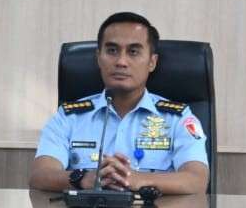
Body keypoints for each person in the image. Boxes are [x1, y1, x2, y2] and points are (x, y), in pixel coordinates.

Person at [28, 12, 209, 195]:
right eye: (112, 51)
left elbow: (197, 180)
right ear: (98, 58)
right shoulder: (69, 117)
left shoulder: (177, 118)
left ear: (152, 62)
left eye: (133, 52)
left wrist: (137, 179)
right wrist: (83, 178)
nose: (121, 62)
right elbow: (39, 175)